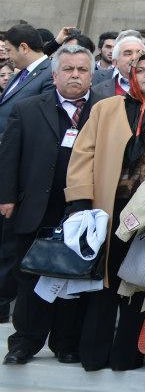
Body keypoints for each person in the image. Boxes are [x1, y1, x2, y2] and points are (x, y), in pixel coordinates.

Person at [64, 51, 145, 371]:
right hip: (108, 208)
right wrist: (81, 199)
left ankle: (127, 354)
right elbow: (83, 154)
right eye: (138, 70)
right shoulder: (105, 108)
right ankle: (94, 354)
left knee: (139, 282)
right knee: (105, 283)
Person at [0, 45, 93, 366]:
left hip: (82, 209)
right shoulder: (27, 108)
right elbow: (9, 156)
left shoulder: (104, 109)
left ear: (91, 75)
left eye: (81, 70)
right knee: (29, 277)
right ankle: (24, 342)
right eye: (68, 69)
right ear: (54, 75)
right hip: (35, 206)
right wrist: (6, 196)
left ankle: (66, 343)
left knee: (74, 279)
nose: (75, 75)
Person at [0, 23, 56, 323]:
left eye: (9, 50)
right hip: (7, 165)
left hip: (27, 172)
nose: (6, 57)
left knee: (12, 244)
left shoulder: (48, 75)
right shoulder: (22, 75)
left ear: (24, 47)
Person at [0, 23, 54, 133]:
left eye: (9, 50)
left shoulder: (51, 74)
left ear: (24, 48)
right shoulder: (20, 73)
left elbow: (38, 120)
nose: (8, 56)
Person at [90, 33, 145, 103]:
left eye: (139, 53)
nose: (134, 58)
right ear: (115, 63)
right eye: (128, 53)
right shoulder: (97, 90)